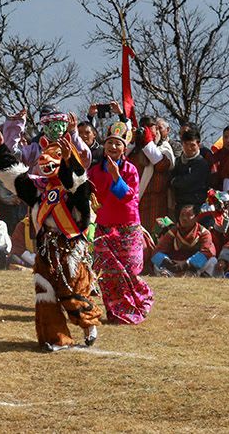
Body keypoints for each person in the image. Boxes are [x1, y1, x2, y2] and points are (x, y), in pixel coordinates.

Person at [0, 132, 100, 350]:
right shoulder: (39, 188)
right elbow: (16, 178)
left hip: (70, 248)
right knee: (45, 293)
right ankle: (55, 338)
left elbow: (79, 193)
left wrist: (70, 163)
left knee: (72, 290)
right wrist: (1, 149)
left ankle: (88, 325)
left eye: (56, 157)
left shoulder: (77, 188)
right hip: (46, 248)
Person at [89, 121, 154, 325]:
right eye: (110, 143)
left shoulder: (131, 169)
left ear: (124, 148)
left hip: (127, 227)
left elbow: (127, 196)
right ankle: (116, 311)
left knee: (129, 271)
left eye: (118, 144)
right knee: (109, 272)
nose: (113, 147)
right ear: (104, 145)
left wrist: (116, 175)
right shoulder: (95, 171)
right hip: (104, 226)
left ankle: (139, 301)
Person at [152, 205, 218, 277]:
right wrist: (168, 263)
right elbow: (158, 251)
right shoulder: (173, 231)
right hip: (175, 265)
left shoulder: (204, 233)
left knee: (213, 261)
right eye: (182, 215)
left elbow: (206, 252)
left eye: (189, 215)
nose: (184, 218)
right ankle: (168, 274)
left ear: (196, 217)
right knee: (157, 263)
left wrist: (187, 264)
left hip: (193, 267)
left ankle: (198, 275)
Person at [170, 129, 210, 213]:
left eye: (192, 145)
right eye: (186, 144)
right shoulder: (178, 161)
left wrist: (175, 181)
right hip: (179, 204)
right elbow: (170, 178)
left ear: (198, 145)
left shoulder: (201, 163)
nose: (189, 148)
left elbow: (187, 182)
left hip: (196, 206)